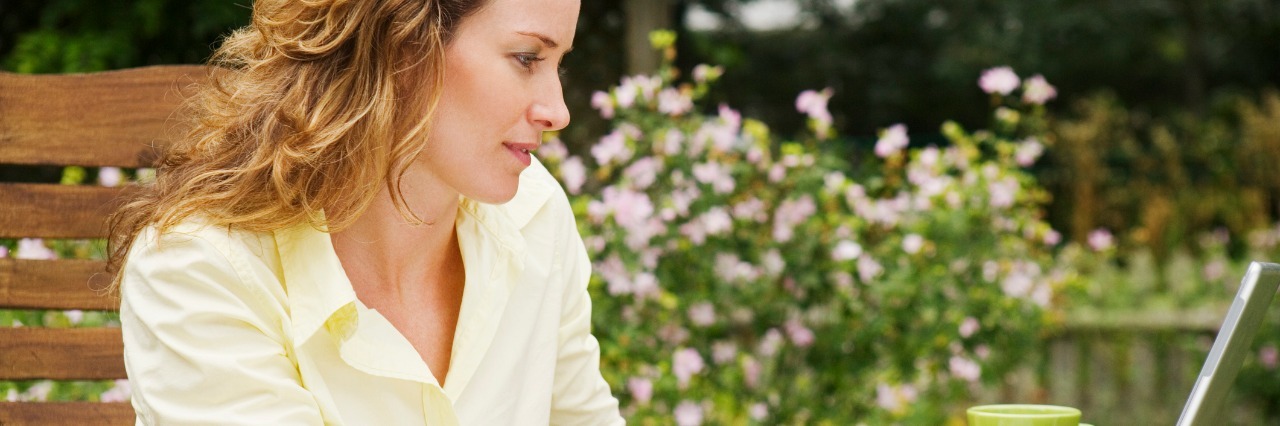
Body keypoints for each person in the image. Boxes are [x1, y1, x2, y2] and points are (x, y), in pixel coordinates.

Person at [106, 0, 623, 424]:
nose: (557, 111)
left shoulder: (535, 214)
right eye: (528, 58)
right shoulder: (201, 269)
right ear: (404, 46)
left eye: (559, 64)